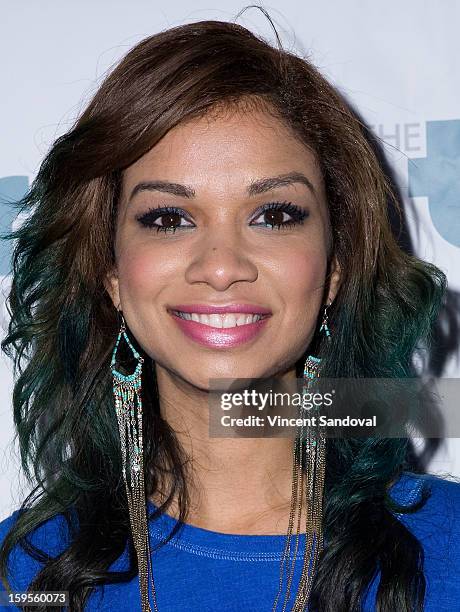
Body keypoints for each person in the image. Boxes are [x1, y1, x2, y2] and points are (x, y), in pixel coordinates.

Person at [0, 17, 459, 612]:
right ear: (110, 273)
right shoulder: (25, 578)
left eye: (273, 215)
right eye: (168, 219)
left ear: (335, 265)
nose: (221, 267)